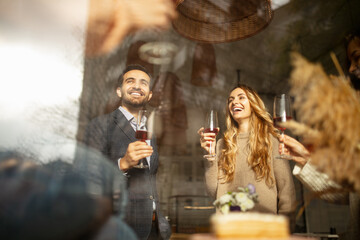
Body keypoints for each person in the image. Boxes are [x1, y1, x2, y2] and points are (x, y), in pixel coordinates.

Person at [83, 64, 171, 240]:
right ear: (118, 91)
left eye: (144, 83)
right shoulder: (100, 125)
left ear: (150, 94)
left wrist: (162, 224)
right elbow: (88, 179)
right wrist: (122, 164)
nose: (137, 86)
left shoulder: (149, 131)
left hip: (154, 229)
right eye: (130, 81)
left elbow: (150, 179)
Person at [198, 84, 296, 218]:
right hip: (228, 228)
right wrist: (210, 154)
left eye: (241, 97)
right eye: (230, 100)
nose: (234, 102)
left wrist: (285, 230)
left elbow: (287, 192)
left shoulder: (271, 141)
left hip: (263, 230)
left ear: (253, 104)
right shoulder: (222, 144)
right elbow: (213, 192)